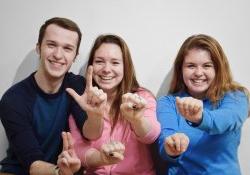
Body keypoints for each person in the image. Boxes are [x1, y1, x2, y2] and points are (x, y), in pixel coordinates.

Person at [0, 17, 103, 175]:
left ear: (75, 56)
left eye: (67, 48)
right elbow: (33, 164)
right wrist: (59, 172)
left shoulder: (77, 86)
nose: (58, 54)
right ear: (38, 48)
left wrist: (95, 115)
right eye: (51, 45)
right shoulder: (14, 99)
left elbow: (91, 134)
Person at [64, 34, 161, 175]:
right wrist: (102, 159)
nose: (106, 69)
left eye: (115, 63)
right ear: (91, 65)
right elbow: (78, 149)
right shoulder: (83, 99)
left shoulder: (141, 97)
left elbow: (151, 135)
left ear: (125, 67)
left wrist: (137, 119)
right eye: (99, 61)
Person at [157, 34, 249, 175]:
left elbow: (227, 120)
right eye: (191, 66)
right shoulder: (169, 102)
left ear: (218, 69)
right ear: (180, 69)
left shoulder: (236, 96)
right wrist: (171, 147)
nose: (199, 73)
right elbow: (165, 144)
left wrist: (200, 117)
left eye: (207, 66)